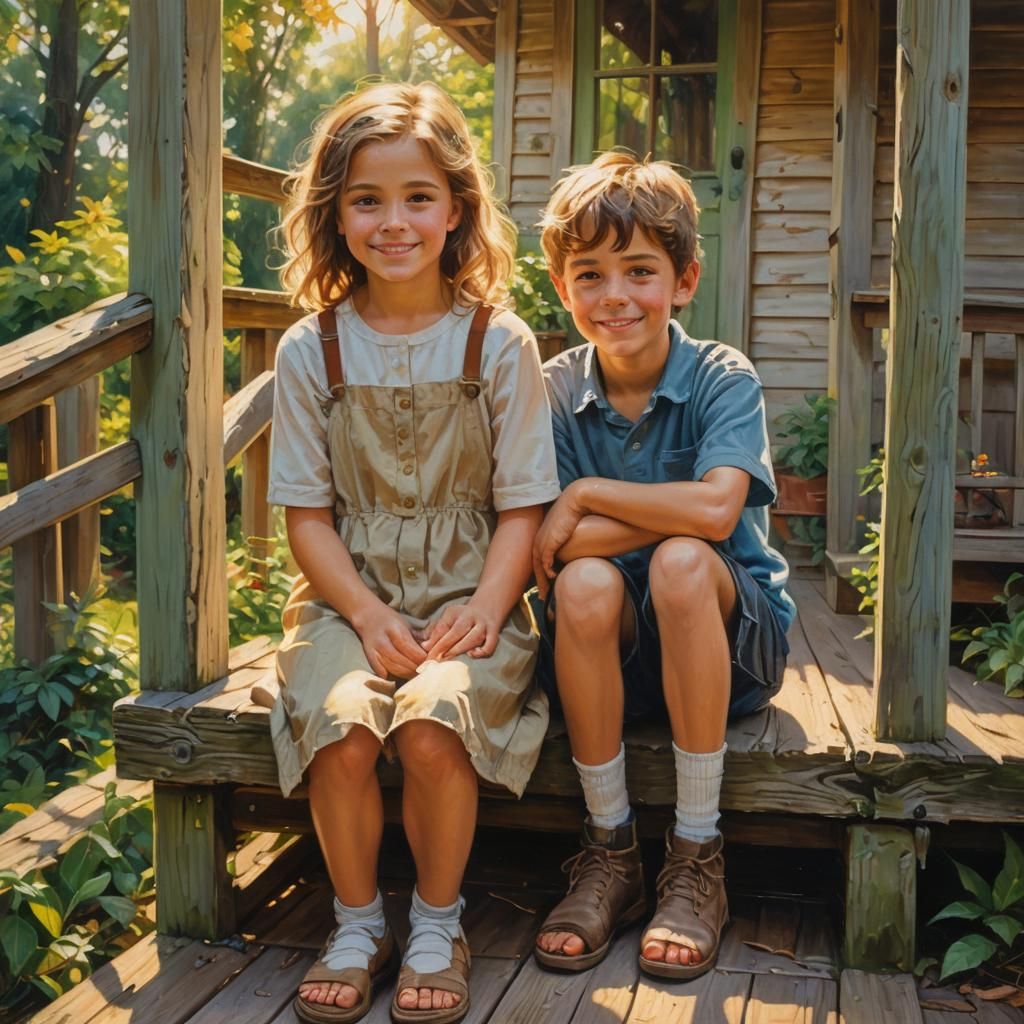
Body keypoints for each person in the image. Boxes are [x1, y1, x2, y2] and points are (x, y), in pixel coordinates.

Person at [267, 81, 560, 1024]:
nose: (393, 222)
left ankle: (437, 921)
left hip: (475, 592)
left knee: (436, 720)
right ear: (336, 213)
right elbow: (306, 515)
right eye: (366, 200)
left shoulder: (497, 340)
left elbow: (522, 507)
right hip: (348, 598)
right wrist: (363, 613)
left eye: (417, 198)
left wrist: (484, 606)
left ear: (457, 209)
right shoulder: (313, 348)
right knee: (344, 723)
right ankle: (358, 923)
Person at [529, 151, 794, 981]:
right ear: (562, 287)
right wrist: (574, 524)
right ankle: (609, 848)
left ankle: (696, 852)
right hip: (610, 653)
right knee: (583, 580)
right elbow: (555, 548)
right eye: (590, 274)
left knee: (684, 561)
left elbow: (718, 512)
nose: (615, 296)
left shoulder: (721, 375)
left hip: (730, 645)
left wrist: (590, 499)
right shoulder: (550, 388)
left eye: (640, 270)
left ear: (684, 280)